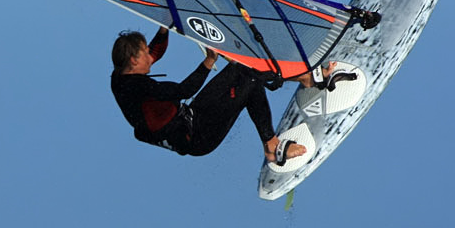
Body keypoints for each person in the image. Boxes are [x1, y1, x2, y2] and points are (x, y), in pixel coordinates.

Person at [110, 26, 333, 163]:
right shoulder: (137, 88)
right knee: (250, 78)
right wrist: (208, 62)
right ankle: (273, 146)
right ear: (134, 61)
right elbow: (183, 90)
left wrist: (164, 27)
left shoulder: (121, 75)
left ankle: (307, 78)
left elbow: (155, 51)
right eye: (145, 53)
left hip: (192, 116)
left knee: (242, 68)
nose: (151, 55)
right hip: (198, 135)